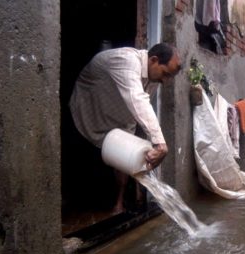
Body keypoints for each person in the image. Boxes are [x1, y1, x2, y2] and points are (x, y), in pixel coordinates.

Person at [69, 43, 182, 213]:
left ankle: (118, 203)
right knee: (79, 161)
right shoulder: (127, 61)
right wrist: (160, 143)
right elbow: (137, 99)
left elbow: (141, 105)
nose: (165, 81)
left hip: (120, 114)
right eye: (165, 74)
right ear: (153, 60)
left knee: (124, 159)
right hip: (90, 109)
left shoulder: (153, 77)